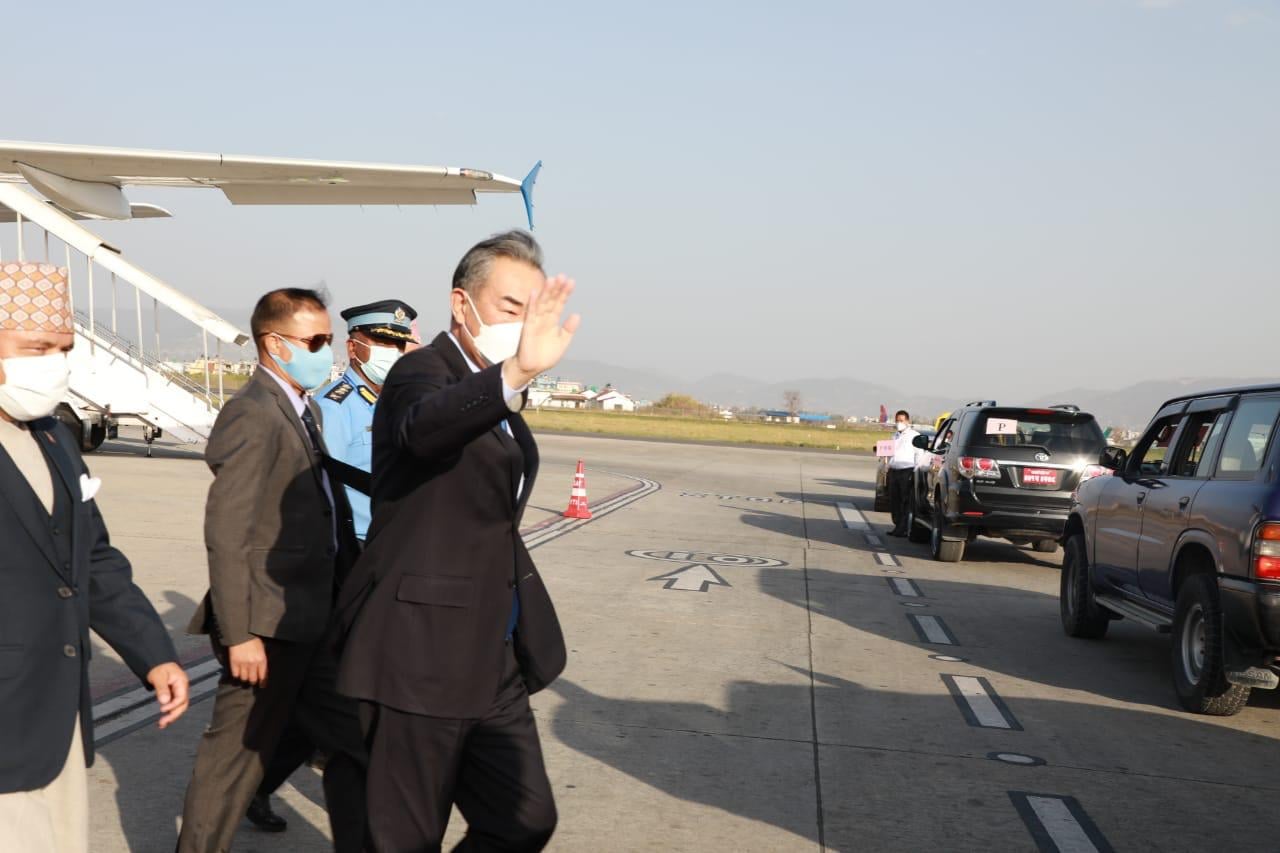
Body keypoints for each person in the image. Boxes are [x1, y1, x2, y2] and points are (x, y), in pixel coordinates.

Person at [335, 231, 578, 851]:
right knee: (405, 837)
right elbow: (422, 431)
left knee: (524, 819)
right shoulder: (423, 372)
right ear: (461, 304)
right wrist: (516, 370)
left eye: (531, 311)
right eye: (508, 308)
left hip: (490, 652)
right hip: (423, 650)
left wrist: (510, 379)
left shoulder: (496, 390)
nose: (521, 326)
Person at [0, 262, 189, 852]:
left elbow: (95, 561)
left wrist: (154, 655)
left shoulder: (53, 436)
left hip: (56, 719)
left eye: (63, 348)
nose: (54, 363)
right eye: (36, 347)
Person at [176, 288, 367, 853]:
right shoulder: (253, 413)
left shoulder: (299, 406)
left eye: (328, 340)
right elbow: (228, 532)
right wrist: (239, 636)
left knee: (361, 743)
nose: (326, 351)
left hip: (309, 619)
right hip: (265, 628)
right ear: (274, 345)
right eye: (314, 341)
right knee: (231, 763)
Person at [246, 298, 417, 833]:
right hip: (353, 557)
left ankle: (260, 782)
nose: (396, 351)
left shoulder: (390, 401)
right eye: (386, 342)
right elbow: (325, 479)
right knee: (344, 691)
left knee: (326, 695)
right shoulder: (337, 401)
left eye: (401, 342)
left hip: (386, 555)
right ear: (357, 344)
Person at [887, 409, 923, 537]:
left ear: (907, 421)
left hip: (907, 471)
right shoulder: (894, 436)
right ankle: (897, 525)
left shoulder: (914, 435)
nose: (899, 423)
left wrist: (915, 472)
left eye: (901, 421)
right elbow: (890, 453)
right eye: (897, 421)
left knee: (905, 501)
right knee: (894, 500)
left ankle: (903, 528)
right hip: (894, 471)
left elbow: (919, 455)